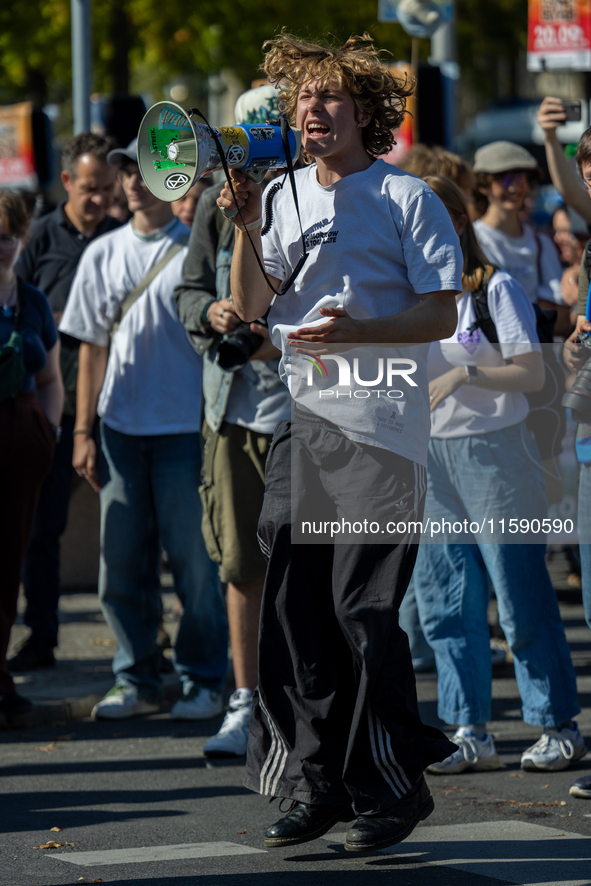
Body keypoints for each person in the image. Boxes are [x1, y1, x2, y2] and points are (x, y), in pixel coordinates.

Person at [217, 32, 463, 852]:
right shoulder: (280, 192)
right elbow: (253, 305)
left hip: (383, 427)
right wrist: (247, 227)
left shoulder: (406, 197)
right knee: (294, 613)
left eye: (327, 98)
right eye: (301, 99)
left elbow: (442, 312)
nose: (311, 111)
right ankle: (319, 784)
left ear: (365, 112)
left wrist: (361, 335)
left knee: (362, 610)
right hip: (304, 423)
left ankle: (391, 785)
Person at [412, 175, 583, 775]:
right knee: (445, 602)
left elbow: (532, 375)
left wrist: (467, 375)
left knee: (518, 595)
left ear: (456, 223)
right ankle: (469, 729)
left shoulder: (495, 288)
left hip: (496, 454)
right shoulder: (407, 293)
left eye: (425, 216)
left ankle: (557, 724)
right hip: (429, 460)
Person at [59, 140, 228, 720]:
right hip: (120, 432)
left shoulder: (195, 251)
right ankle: (138, 678)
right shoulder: (102, 253)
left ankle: (204, 679)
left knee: (196, 568)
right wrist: (83, 430)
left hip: (186, 428)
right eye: (126, 170)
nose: (132, 179)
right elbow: (90, 349)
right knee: (121, 566)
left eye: (144, 169)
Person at [175, 85, 291, 754]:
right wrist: (210, 314)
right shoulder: (217, 210)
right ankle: (246, 704)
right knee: (242, 565)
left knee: (309, 566)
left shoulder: (315, 197)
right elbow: (190, 288)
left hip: (305, 408)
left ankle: (300, 703)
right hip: (234, 410)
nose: (252, 161)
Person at [10, 133, 119, 671]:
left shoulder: (126, 238)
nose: (98, 198)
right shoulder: (40, 239)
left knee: (127, 528)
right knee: (43, 526)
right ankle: (43, 635)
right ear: (67, 183)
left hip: (117, 406)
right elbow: (18, 306)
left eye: (107, 188)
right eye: (89, 188)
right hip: (60, 407)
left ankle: (139, 643)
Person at [0, 190, 63, 715]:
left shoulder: (32, 302)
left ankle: (0, 676)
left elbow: (50, 378)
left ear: (21, 240)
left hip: (22, 443)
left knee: (9, 566)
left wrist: (50, 433)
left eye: (6, 238)